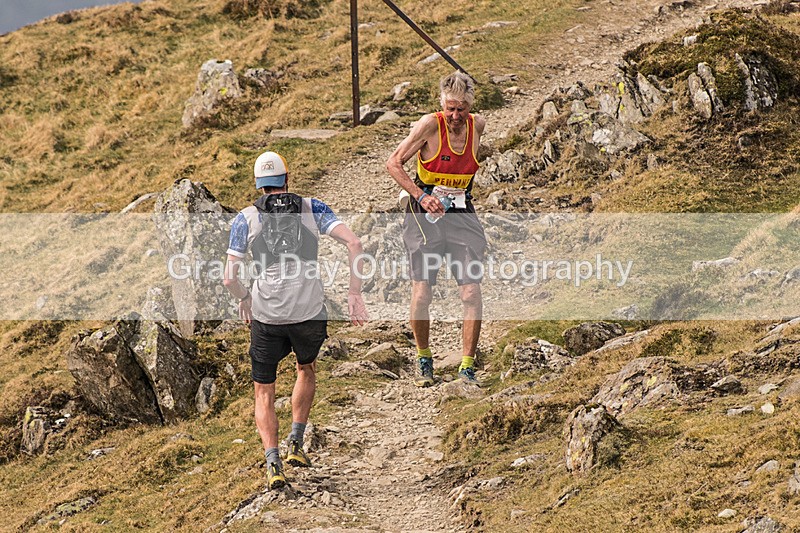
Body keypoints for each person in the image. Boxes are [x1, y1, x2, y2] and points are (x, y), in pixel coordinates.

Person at [223, 150, 368, 491]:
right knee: (306, 368)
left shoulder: (245, 219)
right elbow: (355, 243)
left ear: (258, 186)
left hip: (267, 314)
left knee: (264, 391)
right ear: (287, 179)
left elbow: (229, 277)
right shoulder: (312, 208)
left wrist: (245, 298)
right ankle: (296, 443)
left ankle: (273, 463)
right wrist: (354, 293)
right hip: (308, 309)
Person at [386, 71, 487, 388]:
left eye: (461, 109)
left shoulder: (478, 126)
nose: (455, 116)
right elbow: (393, 162)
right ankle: (424, 358)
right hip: (424, 213)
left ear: (470, 107)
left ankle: (467, 365)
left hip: (460, 212)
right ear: (442, 105)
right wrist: (421, 196)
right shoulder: (430, 125)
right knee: (423, 292)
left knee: (471, 291)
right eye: (450, 108)